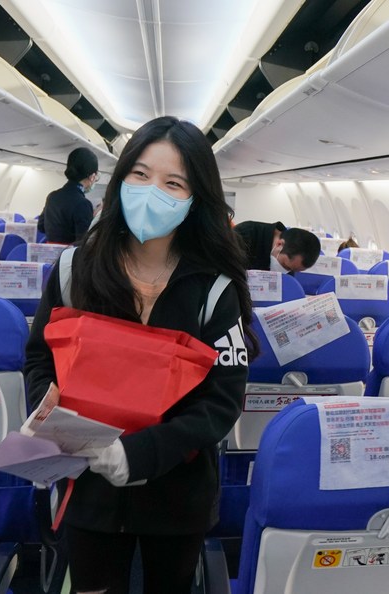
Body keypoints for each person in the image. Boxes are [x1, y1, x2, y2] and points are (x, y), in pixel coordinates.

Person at [24, 116, 257, 594]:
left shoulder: (213, 288)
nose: (153, 192)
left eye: (173, 183)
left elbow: (222, 402)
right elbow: (39, 358)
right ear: (121, 179)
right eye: (141, 174)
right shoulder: (74, 270)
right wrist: (45, 413)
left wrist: (139, 454)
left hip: (177, 492)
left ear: (194, 199)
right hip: (87, 484)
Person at [41, 147, 99, 244]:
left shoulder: (52, 197)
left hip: (49, 252)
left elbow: (41, 226)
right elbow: (83, 243)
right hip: (69, 253)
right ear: (92, 177)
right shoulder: (83, 204)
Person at [233, 220, 320, 273]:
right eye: (286, 266)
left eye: (293, 270)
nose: (287, 272)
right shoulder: (243, 235)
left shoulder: (292, 260)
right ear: (279, 244)